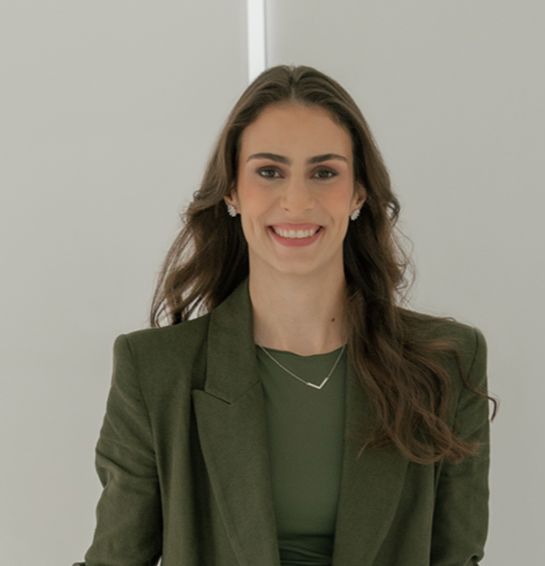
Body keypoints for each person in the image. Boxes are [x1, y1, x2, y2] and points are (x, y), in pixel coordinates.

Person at [73, 64, 498, 566]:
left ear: (358, 192)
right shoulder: (154, 371)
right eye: (269, 172)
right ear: (232, 190)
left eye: (324, 172)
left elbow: (457, 557)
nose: (297, 201)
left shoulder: (446, 363)